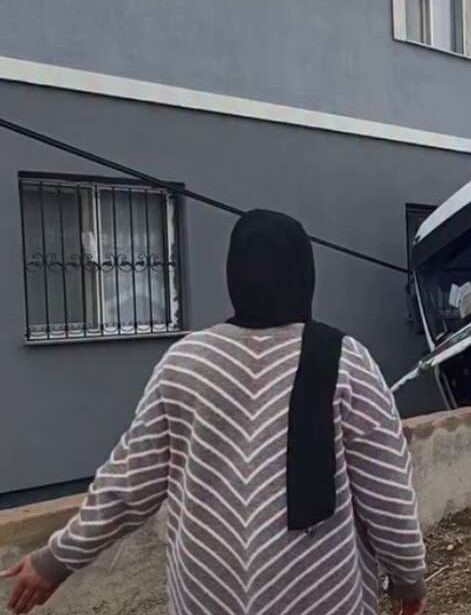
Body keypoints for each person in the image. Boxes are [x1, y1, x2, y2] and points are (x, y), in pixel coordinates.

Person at [2, 211, 428, 615]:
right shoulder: (346, 362)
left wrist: (55, 559)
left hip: (206, 597)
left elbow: (129, 484)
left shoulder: (185, 362)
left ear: (233, 276)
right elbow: (386, 492)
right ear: (306, 275)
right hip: (322, 596)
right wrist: (409, 580)